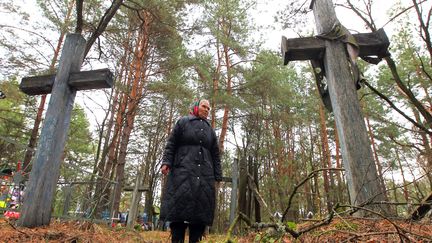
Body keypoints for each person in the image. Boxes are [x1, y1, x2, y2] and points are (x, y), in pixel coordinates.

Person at [160, 99, 222, 243]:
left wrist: (217, 176)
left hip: (204, 176)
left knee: (199, 213)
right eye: (203, 106)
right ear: (196, 107)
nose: (206, 109)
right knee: (178, 209)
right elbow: (171, 143)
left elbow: (215, 154)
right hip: (182, 172)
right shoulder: (183, 122)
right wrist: (166, 162)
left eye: (208, 108)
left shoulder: (210, 130)